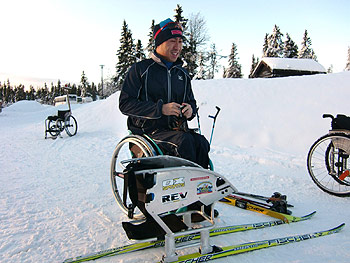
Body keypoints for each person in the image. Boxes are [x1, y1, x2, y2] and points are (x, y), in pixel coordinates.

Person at [119, 18, 210, 169]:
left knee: (201, 143)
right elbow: (125, 104)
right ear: (159, 43)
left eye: (180, 42)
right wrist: (160, 109)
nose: (177, 47)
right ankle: (189, 187)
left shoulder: (182, 73)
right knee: (184, 142)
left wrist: (190, 110)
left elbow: (191, 102)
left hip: (176, 130)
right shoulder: (141, 70)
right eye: (172, 41)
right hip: (148, 133)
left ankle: (201, 186)